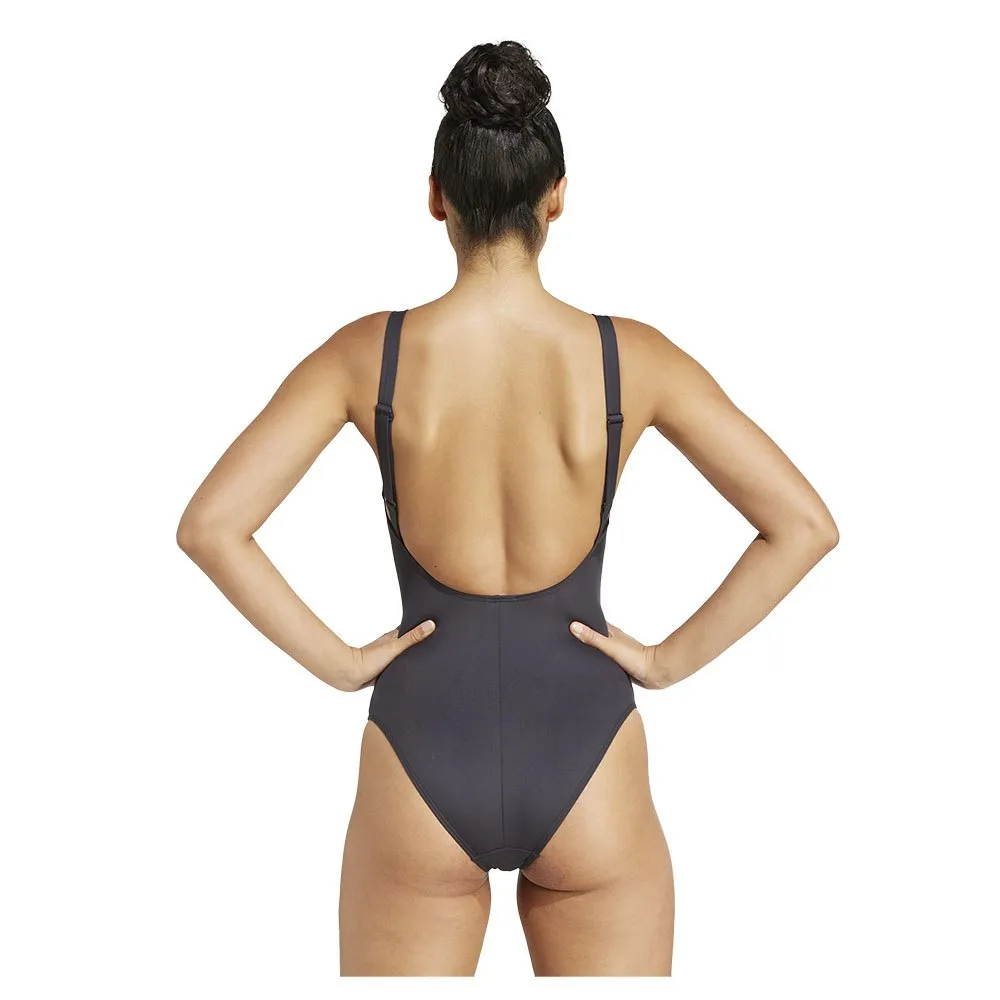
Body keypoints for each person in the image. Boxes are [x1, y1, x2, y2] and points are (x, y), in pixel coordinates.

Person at [176, 40, 839, 977]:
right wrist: (664, 661)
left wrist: (344, 664)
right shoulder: (631, 358)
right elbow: (803, 525)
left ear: (436, 197)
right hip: (588, 748)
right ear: (556, 197)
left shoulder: (368, 356)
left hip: (418, 749)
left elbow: (212, 525)